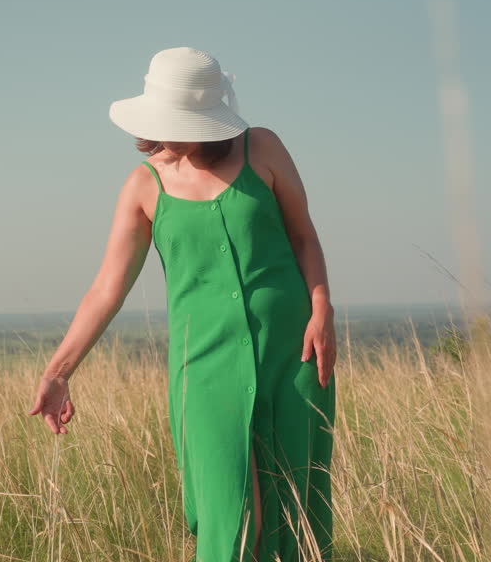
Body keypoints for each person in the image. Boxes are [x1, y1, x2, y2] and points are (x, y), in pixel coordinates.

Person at [27, 46, 338, 561]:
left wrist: (322, 307)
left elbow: (304, 236)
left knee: (295, 511)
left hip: (296, 355)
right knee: (234, 521)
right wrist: (59, 371)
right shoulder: (143, 186)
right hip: (205, 368)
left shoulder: (262, 148)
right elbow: (108, 287)